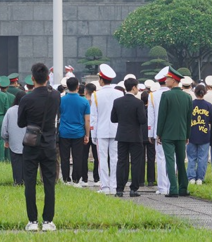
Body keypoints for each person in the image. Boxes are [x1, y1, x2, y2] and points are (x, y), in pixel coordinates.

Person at [17, 63, 60, 231]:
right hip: (49, 143)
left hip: (31, 144)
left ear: (32, 78)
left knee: (30, 183)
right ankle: (48, 221)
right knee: (49, 182)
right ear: (48, 78)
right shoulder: (55, 96)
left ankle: (33, 221)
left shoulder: (26, 98)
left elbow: (21, 123)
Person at [156, 67, 191, 197]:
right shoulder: (187, 97)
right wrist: (187, 135)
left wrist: (159, 133)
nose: (165, 80)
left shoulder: (166, 96)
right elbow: (189, 119)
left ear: (174, 80)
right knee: (181, 161)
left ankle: (173, 189)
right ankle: (183, 188)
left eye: (168, 78)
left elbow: (162, 116)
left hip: (167, 134)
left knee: (170, 161)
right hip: (182, 134)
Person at [110, 77, 146, 197]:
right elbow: (142, 120)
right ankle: (133, 189)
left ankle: (119, 189)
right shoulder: (139, 103)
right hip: (135, 136)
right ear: (134, 87)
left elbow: (113, 119)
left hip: (122, 135)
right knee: (135, 162)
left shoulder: (117, 101)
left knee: (121, 162)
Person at [89, 64, 119, 195]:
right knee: (115, 158)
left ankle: (105, 185)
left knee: (102, 159)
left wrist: (93, 134)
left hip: (101, 130)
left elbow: (94, 117)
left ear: (101, 80)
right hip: (116, 130)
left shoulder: (96, 95)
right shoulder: (119, 93)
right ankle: (114, 185)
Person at [58, 77, 90, 185]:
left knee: (65, 157)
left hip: (64, 132)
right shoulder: (84, 101)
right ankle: (76, 179)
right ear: (78, 87)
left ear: (66, 86)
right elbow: (87, 120)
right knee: (78, 157)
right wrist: (87, 134)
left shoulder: (61, 100)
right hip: (78, 133)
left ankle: (66, 179)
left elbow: (58, 115)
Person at [186, 84, 211, 185]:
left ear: (195, 92)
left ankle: (191, 178)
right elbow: (210, 120)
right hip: (204, 134)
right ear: (204, 93)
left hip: (191, 133)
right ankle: (200, 178)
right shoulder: (208, 105)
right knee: (203, 158)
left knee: (191, 157)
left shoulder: (190, 104)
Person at [1, 91, 27, 185]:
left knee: (16, 163)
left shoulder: (10, 111)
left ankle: (17, 181)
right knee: (27, 163)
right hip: (28, 141)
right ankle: (26, 180)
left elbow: (4, 128)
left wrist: (6, 139)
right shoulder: (29, 109)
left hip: (14, 142)